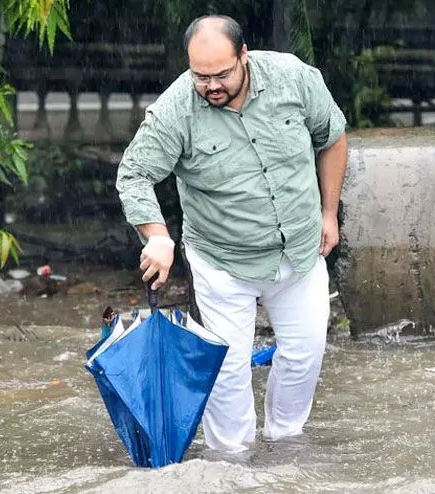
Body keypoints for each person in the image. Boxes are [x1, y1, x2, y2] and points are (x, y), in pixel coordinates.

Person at [116, 15, 348, 452]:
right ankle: (231, 460)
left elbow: (332, 138)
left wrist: (329, 212)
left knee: (305, 354)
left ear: (244, 56)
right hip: (223, 260)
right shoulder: (176, 110)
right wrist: (158, 236)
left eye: (221, 73)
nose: (211, 85)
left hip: (299, 246)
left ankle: (285, 444)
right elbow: (133, 174)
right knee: (228, 370)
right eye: (200, 76)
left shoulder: (292, 78)